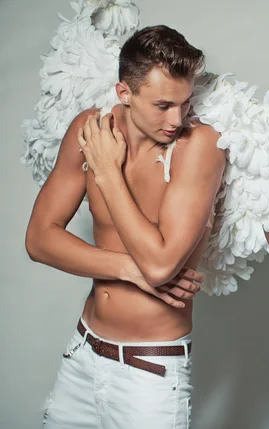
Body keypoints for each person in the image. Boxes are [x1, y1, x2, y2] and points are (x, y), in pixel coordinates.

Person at [26, 25, 225, 428]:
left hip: (149, 373)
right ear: (124, 94)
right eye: (163, 105)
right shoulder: (91, 128)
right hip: (83, 352)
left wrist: (107, 173)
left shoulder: (198, 146)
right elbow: (39, 238)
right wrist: (127, 269)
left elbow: (159, 268)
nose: (177, 118)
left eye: (185, 103)